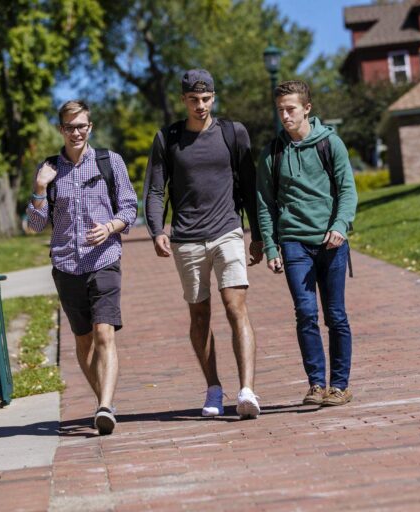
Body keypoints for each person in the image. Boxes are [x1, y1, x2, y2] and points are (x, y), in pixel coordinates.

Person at [143, 69, 264, 420]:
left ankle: (247, 390)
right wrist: (156, 229)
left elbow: (249, 183)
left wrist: (256, 234)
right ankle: (213, 387)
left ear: (214, 97)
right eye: (194, 100)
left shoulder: (232, 133)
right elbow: (154, 189)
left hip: (227, 229)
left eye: (206, 99)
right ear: (183, 100)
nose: (200, 105)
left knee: (235, 306)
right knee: (199, 314)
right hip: (187, 237)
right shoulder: (168, 138)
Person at [26, 100, 137, 435]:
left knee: (105, 333)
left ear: (90, 127)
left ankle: (104, 406)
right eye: (70, 127)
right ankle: (105, 401)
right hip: (66, 265)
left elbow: (130, 207)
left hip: (103, 260)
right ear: (61, 129)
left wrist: (111, 227)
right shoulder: (48, 169)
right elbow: (35, 224)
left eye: (82, 126)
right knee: (84, 340)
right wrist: (40, 189)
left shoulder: (109, 161)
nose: (76, 132)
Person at [256, 79, 358, 407]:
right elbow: (264, 204)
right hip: (294, 241)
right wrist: (271, 246)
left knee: (336, 315)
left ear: (307, 109)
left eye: (291, 109)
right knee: (305, 312)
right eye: (280, 110)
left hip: (331, 242)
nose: (285, 116)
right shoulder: (272, 153)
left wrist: (340, 225)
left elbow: (347, 190)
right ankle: (316, 384)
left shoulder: (331, 144)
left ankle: (339, 386)